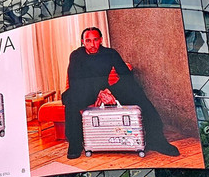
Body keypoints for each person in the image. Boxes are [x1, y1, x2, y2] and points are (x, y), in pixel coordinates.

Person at [61, 27, 180, 158]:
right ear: (83, 41)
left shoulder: (110, 53)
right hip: (83, 90)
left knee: (134, 89)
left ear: (101, 40)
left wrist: (110, 91)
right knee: (72, 97)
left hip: (106, 90)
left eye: (95, 40)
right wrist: (98, 94)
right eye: (88, 41)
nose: (92, 44)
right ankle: (75, 143)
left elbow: (126, 75)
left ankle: (156, 139)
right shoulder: (76, 55)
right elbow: (75, 81)